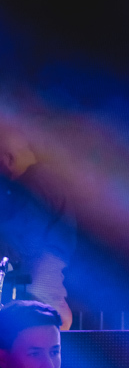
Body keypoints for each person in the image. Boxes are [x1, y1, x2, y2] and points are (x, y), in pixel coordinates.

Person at [0, 121, 75, 329]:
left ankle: (53, 337)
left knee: (46, 304)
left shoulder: (36, 183)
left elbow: (23, 239)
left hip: (45, 260)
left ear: (9, 158)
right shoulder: (31, 183)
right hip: (39, 257)